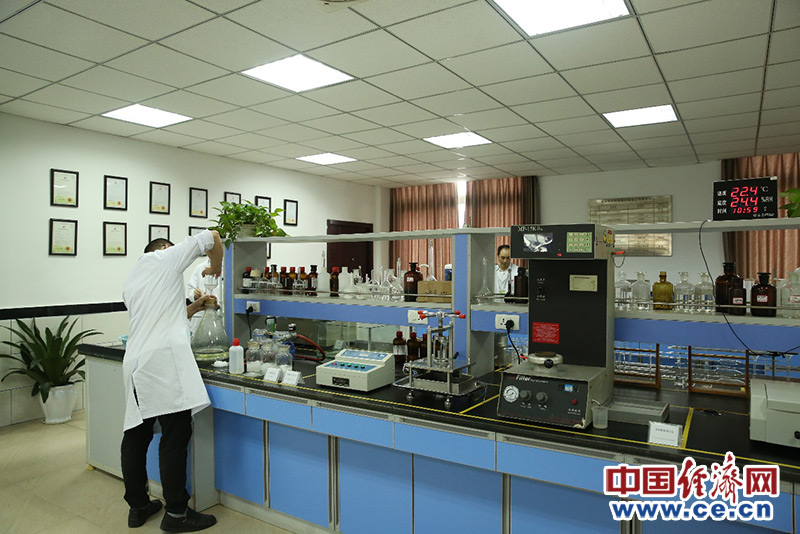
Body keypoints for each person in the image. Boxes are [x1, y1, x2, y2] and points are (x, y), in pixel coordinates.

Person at [121, 230, 222, 532]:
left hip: (136, 362)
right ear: (164, 248)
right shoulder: (164, 258)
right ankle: (177, 513)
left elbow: (164, 316)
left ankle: (138, 506)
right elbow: (213, 237)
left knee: (136, 435)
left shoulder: (133, 278)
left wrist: (196, 306)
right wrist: (215, 267)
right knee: (175, 436)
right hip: (162, 363)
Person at [187, 259, 222, 333]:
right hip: (200, 315)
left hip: (219, 315)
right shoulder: (199, 267)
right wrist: (194, 294)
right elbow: (191, 289)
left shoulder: (228, 268)